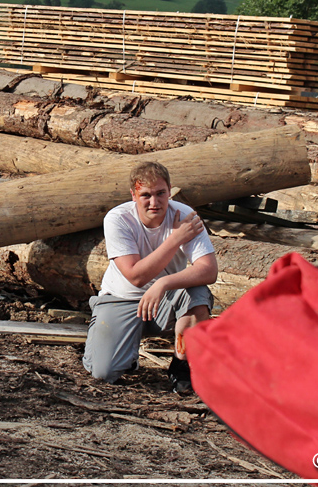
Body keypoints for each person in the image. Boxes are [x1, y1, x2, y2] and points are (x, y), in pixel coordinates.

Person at [82, 161, 218, 393]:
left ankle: (182, 363)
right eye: (145, 195)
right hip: (122, 297)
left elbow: (209, 270)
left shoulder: (185, 215)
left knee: (197, 293)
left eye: (160, 193)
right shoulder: (118, 219)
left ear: (170, 190)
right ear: (133, 195)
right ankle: (125, 351)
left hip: (165, 300)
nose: (154, 202)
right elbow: (136, 276)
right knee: (104, 372)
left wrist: (164, 283)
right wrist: (175, 239)